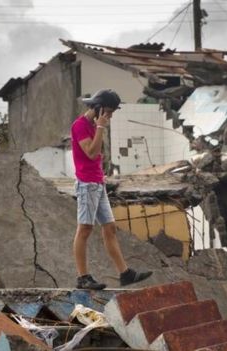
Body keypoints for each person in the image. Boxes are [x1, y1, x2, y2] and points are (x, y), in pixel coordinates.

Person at [71, 89, 152, 290]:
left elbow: (97, 156)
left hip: (98, 183)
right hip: (86, 185)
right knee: (85, 229)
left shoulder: (94, 125)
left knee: (110, 227)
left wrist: (99, 127)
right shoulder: (80, 125)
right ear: (98, 108)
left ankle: (125, 273)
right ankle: (83, 278)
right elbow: (91, 152)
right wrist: (100, 127)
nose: (110, 116)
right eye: (108, 111)